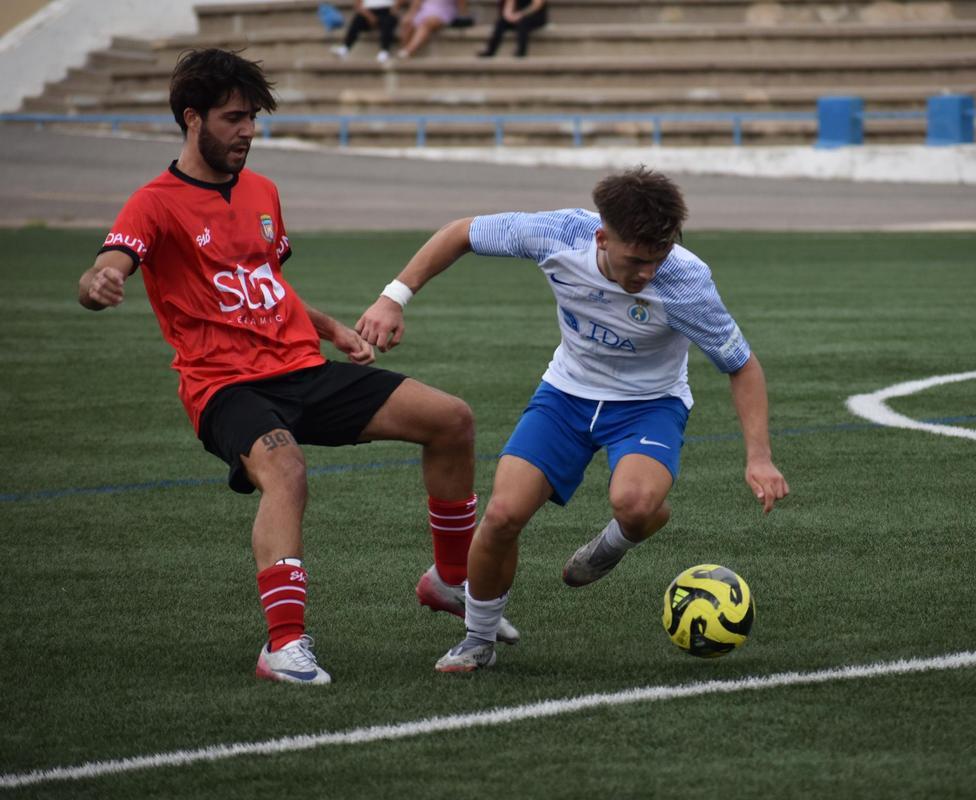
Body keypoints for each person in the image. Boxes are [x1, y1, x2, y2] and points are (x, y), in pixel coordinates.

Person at [77, 49, 517, 686]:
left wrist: (334, 328)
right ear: (191, 119)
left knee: (451, 419)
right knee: (286, 468)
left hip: (300, 368)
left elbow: (266, 285)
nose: (248, 131)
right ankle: (282, 646)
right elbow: (112, 263)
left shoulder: (262, 193)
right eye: (234, 118)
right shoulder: (154, 203)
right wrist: (99, 283)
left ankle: (449, 581)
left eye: (252, 117)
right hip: (225, 388)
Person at [356, 167, 791, 672]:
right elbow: (461, 233)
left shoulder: (685, 282)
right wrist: (394, 297)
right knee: (502, 516)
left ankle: (615, 541)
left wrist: (758, 458)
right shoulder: (557, 234)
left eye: (660, 256)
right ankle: (478, 640)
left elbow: (742, 365)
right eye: (636, 259)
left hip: (649, 404)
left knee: (634, 503)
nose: (648, 271)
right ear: (602, 237)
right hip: (565, 395)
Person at [332, 0, 406, 64]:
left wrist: (394, 9)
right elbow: (358, 5)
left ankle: (384, 51)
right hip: (368, 12)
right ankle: (345, 48)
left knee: (389, 21)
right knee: (357, 20)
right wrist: (369, 16)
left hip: (387, 11)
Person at [398, 0, 469, 58]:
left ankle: (409, 50)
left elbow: (461, 3)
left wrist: (462, 15)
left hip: (443, 11)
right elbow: (417, 2)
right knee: (407, 22)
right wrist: (411, 14)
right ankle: (404, 48)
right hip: (425, 10)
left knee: (426, 23)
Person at [478, 0, 548, 58]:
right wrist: (508, 15)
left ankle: (521, 51)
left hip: (534, 15)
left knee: (523, 23)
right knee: (500, 22)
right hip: (517, 15)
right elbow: (509, 4)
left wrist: (521, 15)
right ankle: (490, 51)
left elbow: (536, 5)